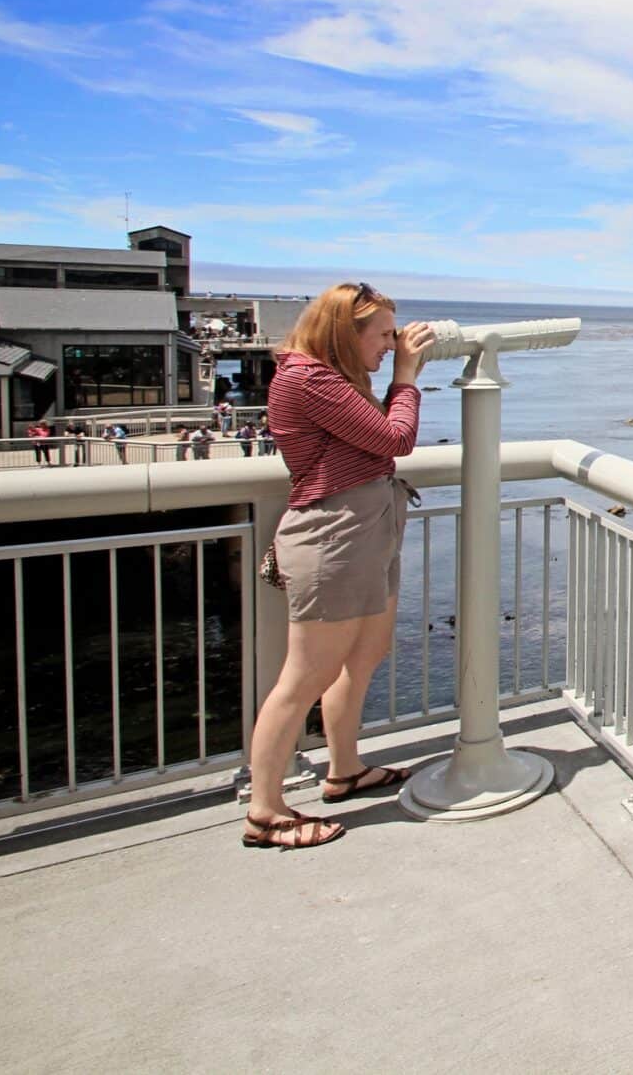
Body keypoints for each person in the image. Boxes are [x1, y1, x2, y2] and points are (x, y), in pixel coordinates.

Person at [243, 282, 434, 849]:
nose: (391, 345)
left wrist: (391, 373)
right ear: (344, 335)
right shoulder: (311, 379)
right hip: (335, 536)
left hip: (368, 529)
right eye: (383, 335)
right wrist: (406, 377)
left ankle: (344, 769)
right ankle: (264, 812)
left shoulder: (333, 377)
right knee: (305, 677)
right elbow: (395, 438)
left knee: (365, 654)